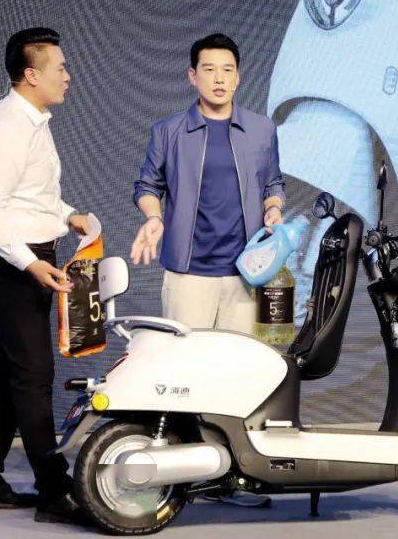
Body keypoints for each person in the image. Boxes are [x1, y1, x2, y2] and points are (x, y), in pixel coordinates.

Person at [131, 32, 284, 507]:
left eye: (228, 70)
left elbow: (273, 183)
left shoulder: (262, 130)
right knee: (184, 375)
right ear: (192, 76)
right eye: (209, 70)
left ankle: (233, 476)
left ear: (239, 77)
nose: (219, 79)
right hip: (189, 274)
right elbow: (147, 185)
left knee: (237, 376)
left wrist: (274, 209)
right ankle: (183, 474)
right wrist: (154, 218)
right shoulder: (169, 131)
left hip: (244, 275)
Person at [0, 27, 88, 524]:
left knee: (10, 373)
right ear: (31, 75)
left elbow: (32, 195)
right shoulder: (5, 127)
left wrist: (69, 215)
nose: (68, 76)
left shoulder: (33, 121)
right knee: (33, 375)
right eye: (60, 67)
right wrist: (31, 263)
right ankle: (54, 491)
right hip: (12, 265)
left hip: (30, 259)